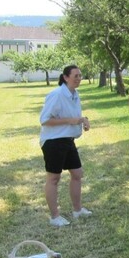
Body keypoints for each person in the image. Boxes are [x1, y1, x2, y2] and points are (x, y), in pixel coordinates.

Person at [39, 65, 93, 227]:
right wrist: (71, 120)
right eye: (75, 76)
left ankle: (77, 210)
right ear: (65, 77)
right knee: (53, 178)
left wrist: (84, 120)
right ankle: (55, 217)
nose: (78, 79)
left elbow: (75, 117)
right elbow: (45, 120)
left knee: (77, 174)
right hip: (54, 141)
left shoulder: (75, 95)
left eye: (80, 76)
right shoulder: (56, 95)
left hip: (68, 140)